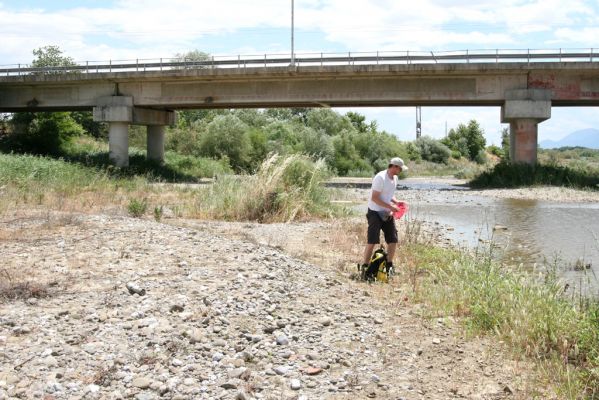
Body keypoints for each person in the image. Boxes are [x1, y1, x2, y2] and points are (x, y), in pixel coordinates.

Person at [361, 157, 408, 275]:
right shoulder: (380, 178)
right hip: (375, 212)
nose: (401, 171)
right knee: (372, 241)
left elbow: (388, 194)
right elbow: (375, 198)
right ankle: (365, 267)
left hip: (387, 213)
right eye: (400, 169)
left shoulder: (395, 178)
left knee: (393, 239)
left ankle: (389, 266)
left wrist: (396, 202)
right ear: (394, 167)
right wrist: (392, 207)